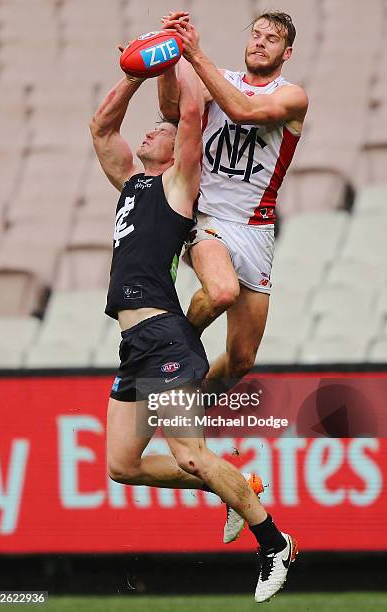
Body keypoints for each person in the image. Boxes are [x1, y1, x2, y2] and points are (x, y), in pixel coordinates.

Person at [90, 56, 296, 603]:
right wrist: (133, 75)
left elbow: (189, 115)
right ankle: (241, 486)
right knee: (122, 465)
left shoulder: (179, 185)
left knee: (189, 454)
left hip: (164, 341)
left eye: (157, 129)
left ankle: (273, 541)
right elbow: (102, 128)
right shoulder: (129, 184)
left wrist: (174, 54)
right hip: (135, 345)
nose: (149, 130)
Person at [158, 9, 307, 594]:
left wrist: (192, 58)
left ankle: (220, 464)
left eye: (274, 38)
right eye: (257, 33)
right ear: (247, 40)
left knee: (241, 362)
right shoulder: (212, 73)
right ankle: (172, 363)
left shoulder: (292, 96)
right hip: (211, 220)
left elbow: (245, 112)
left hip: (258, 232)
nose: (262, 42)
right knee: (215, 292)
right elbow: (174, 109)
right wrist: (168, 58)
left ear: (286, 52)